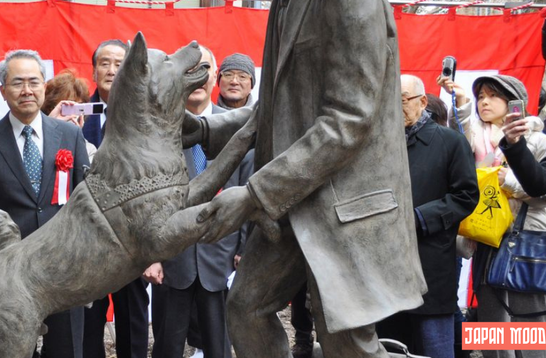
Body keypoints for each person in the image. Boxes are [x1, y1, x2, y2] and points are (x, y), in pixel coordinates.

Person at [187, 1, 427, 357]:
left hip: (343, 205)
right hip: (290, 201)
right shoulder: (285, 5)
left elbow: (348, 120)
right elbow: (268, 112)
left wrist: (255, 195)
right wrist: (203, 129)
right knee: (246, 309)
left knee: (345, 342)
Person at [0, 49, 89, 358]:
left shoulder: (70, 135)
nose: (26, 90)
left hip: (63, 266)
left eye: (34, 81)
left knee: (66, 348)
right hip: (9, 270)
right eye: (17, 82)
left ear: (44, 86)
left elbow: (85, 202)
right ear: (3, 91)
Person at [145, 45, 242, 358]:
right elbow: (145, 200)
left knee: (220, 348)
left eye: (204, 69)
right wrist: (149, 256)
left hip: (222, 258)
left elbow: (251, 188)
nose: (198, 78)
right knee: (167, 347)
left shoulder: (238, 125)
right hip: (171, 259)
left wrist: (244, 249)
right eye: (190, 71)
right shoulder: (157, 129)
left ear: (215, 77)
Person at [375, 75, 479, 358]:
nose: (394, 109)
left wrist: (419, 218)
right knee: (389, 347)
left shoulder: (450, 142)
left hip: (431, 262)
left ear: (422, 101)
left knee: (434, 347)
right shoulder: (380, 143)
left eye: (402, 100)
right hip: (386, 267)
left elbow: (466, 196)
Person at [460, 74, 546, 358]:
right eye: (480, 96)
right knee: (491, 326)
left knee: (528, 324)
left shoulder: (538, 141)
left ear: (514, 102)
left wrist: (507, 180)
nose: (484, 101)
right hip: (487, 237)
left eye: (492, 95)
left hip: (526, 238)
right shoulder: (475, 141)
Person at [79, 39, 151, 358]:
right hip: (85, 234)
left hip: (131, 235)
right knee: (86, 317)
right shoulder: (75, 110)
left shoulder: (147, 117)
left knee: (133, 315)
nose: (111, 70)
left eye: (119, 63)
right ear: (94, 70)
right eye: (104, 63)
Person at [41, 69, 98, 159]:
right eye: (66, 108)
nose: (71, 116)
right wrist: (50, 131)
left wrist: (76, 140)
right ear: (51, 109)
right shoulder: (36, 142)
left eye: (77, 108)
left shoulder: (89, 149)